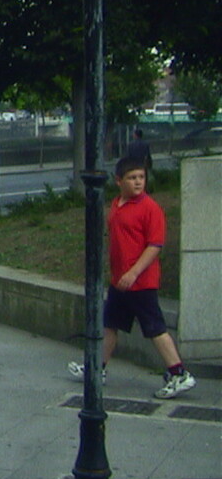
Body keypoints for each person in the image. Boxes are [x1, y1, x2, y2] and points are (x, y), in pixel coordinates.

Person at [68, 156, 195, 399]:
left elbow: (155, 245)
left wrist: (134, 272)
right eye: (132, 178)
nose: (138, 182)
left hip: (141, 283)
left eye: (141, 178)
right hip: (120, 282)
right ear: (119, 181)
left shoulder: (150, 209)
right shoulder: (117, 204)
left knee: (154, 327)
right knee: (110, 324)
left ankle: (179, 373)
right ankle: (97, 368)